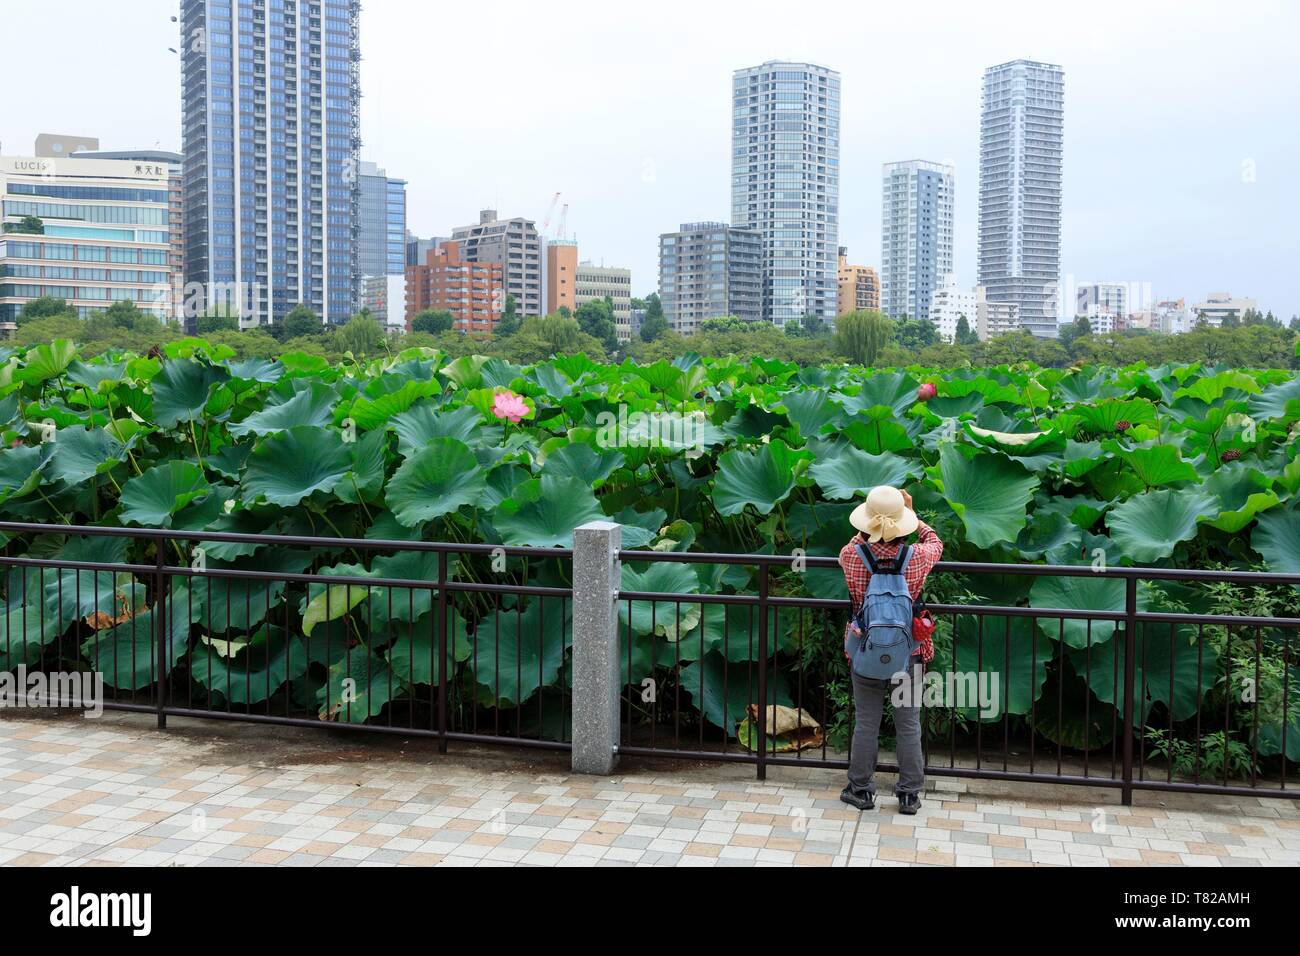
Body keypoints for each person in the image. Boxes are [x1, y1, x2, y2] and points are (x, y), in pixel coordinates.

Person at [838, 485, 943, 814]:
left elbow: (855, 543)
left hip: (866, 653)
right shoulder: (918, 558)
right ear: (904, 522)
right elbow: (935, 542)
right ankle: (909, 794)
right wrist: (915, 514)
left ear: (867, 523)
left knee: (866, 723)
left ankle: (861, 790)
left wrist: (868, 525)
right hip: (908, 653)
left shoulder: (850, 556)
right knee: (909, 724)